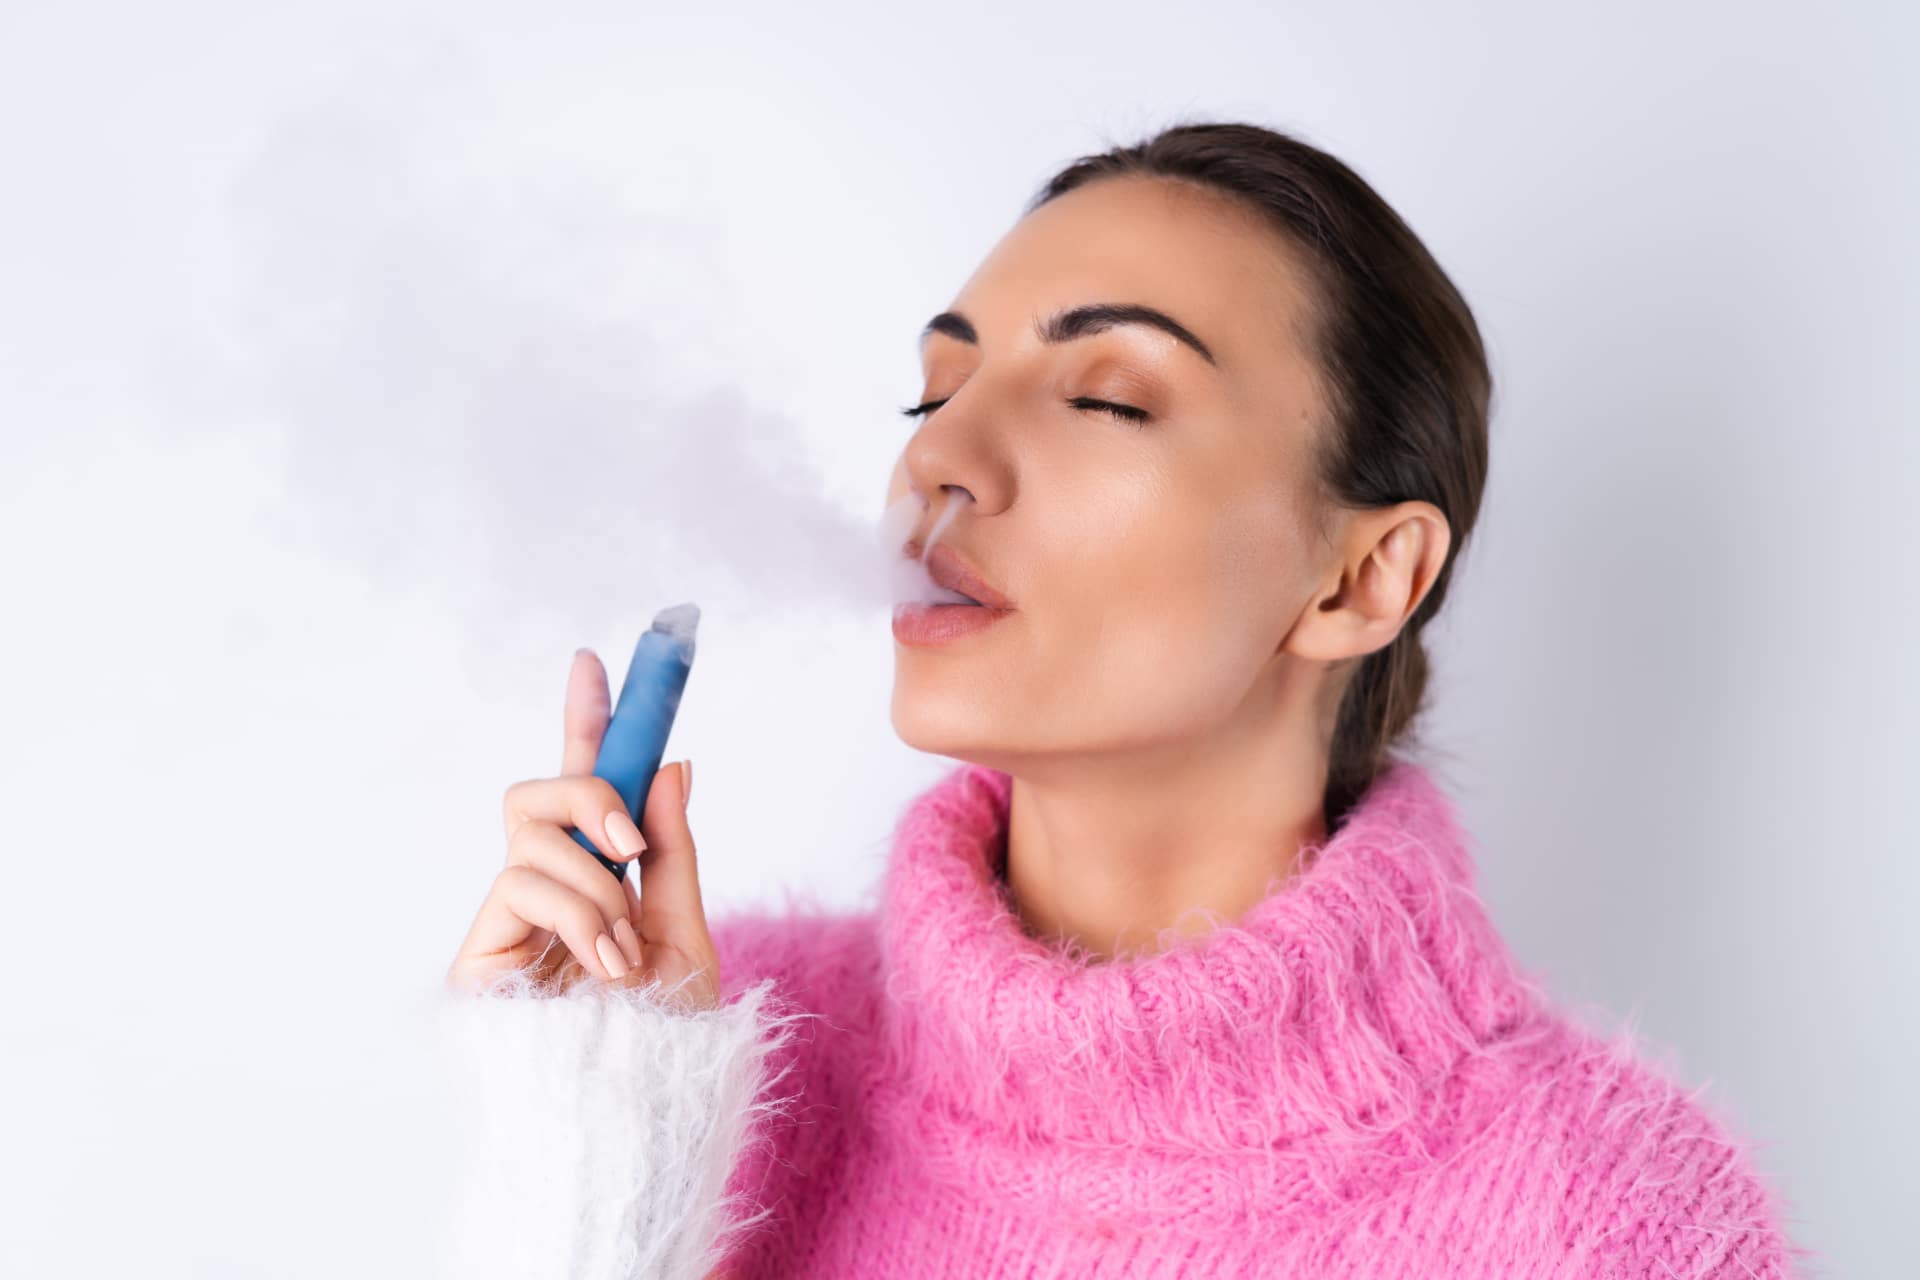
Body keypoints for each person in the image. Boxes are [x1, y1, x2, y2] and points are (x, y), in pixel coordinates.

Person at [439, 121, 1806, 1278]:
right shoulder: (711, 1046)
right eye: (933, 394)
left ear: (1365, 578)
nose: (943, 462)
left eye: (1106, 398)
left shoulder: (1612, 1220)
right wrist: (588, 1169)